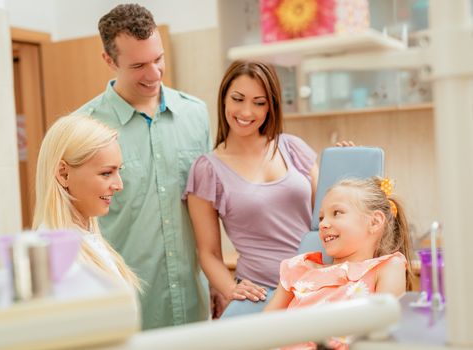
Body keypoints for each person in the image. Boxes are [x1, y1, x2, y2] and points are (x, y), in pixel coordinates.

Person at [75, 4, 211, 329]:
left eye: (158, 59)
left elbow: (207, 208)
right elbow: (72, 223)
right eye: (138, 65)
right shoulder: (82, 128)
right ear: (109, 61)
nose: (153, 74)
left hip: (195, 307)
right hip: (123, 313)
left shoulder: (196, 115)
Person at [184, 60, 319, 318]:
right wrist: (230, 289)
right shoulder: (207, 169)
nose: (247, 112)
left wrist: (343, 162)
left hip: (313, 286)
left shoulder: (292, 148)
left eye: (259, 102)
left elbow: (328, 214)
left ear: (271, 107)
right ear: (224, 98)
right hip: (260, 294)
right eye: (238, 99)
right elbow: (209, 252)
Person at [265, 177, 414, 350]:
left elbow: (384, 332)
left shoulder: (386, 267)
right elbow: (262, 329)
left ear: (374, 222)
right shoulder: (298, 268)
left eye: (337, 213)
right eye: (321, 218)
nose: (323, 224)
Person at [32, 115, 140, 289]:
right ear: (63, 174)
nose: (119, 185)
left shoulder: (86, 240)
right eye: (106, 173)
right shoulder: (56, 256)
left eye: (118, 171)